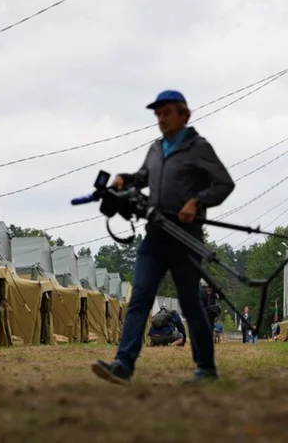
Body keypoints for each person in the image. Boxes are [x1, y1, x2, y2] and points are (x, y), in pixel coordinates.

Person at [92, 90, 235, 386]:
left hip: (186, 236)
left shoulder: (199, 148)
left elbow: (224, 183)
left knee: (191, 304)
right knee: (140, 297)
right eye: (158, 114)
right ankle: (123, 364)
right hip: (155, 236)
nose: (161, 119)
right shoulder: (156, 149)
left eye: (167, 113)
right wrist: (125, 179)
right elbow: (143, 176)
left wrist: (197, 201)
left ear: (185, 115)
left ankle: (206, 369)